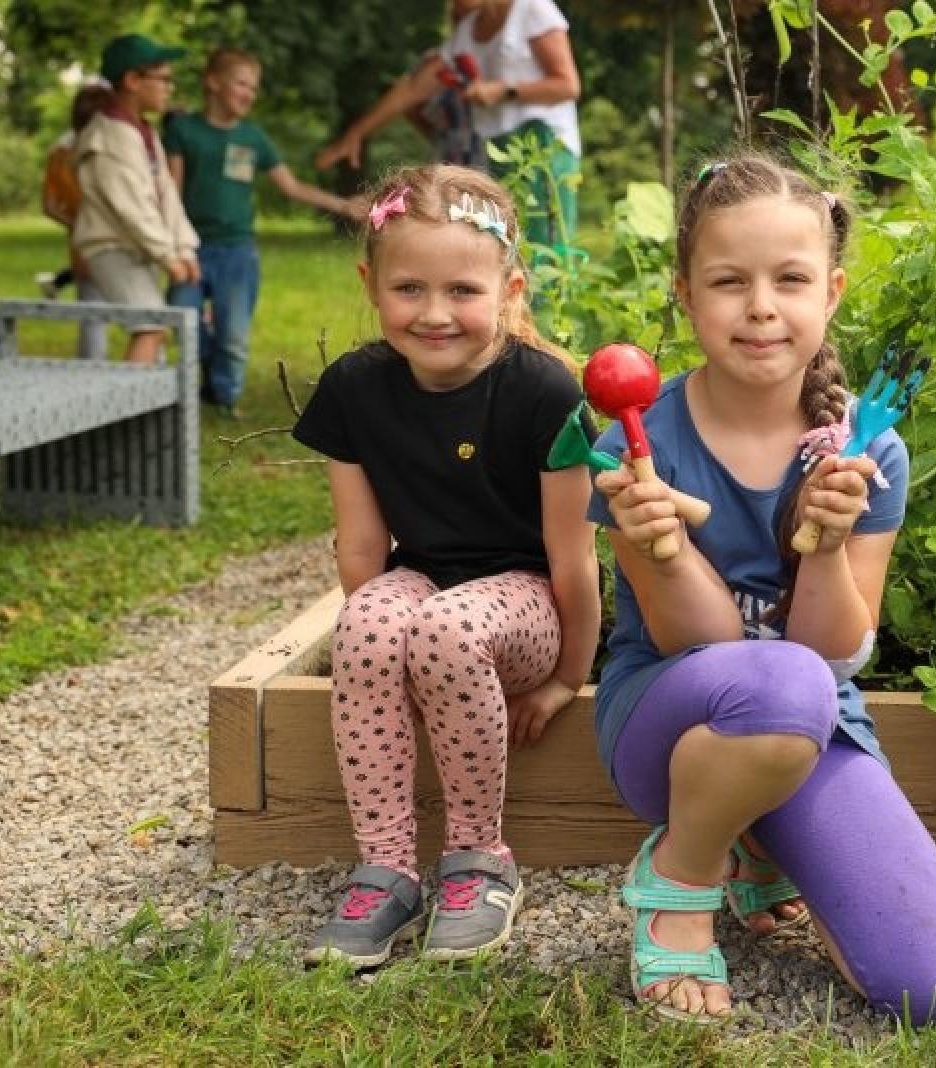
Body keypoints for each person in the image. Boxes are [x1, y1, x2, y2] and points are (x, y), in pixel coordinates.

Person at [587, 154, 936, 1024]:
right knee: (782, 682)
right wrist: (661, 550)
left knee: (931, 987)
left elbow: (838, 654)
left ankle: (758, 826)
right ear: (686, 295)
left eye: (790, 279)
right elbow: (693, 639)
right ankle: (683, 873)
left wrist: (831, 544)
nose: (762, 306)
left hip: (813, 713)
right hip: (670, 719)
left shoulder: (865, 452)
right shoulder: (634, 447)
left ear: (831, 292)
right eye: (729, 281)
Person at [292, 164, 600, 969]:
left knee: (445, 626)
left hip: (524, 604)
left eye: (463, 290)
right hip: (425, 585)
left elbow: (572, 558)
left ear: (510, 287)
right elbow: (361, 554)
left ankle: (479, 859)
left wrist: (568, 677)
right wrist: (387, 660)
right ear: (371, 284)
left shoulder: (542, 391)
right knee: (369, 618)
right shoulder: (355, 389)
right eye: (409, 289)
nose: (434, 314)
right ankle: (388, 870)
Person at [164, 47, 367, 417]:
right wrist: (173, 245)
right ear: (213, 82)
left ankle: (222, 398)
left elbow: (292, 187)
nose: (249, 94)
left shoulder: (253, 138)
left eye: (253, 88)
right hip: (189, 247)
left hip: (237, 251)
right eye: (241, 84)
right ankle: (210, 370)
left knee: (234, 337)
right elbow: (171, 195)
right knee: (183, 320)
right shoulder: (182, 131)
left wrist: (344, 206)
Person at [316, 0, 581, 251]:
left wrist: (504, 91)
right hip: (497, 148)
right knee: (504, 243)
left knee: (545, 247)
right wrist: (357, 134)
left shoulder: (532, 8)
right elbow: (413, 87)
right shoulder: (467, 30)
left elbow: (567, 84)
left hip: (542, 143)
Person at [72, 33, 200, 366]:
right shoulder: (109, 135)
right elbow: (131, 206)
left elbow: (167, 195)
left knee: (154, 330)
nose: (170, 87)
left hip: (136, 246)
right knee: (150, 327)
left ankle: (146, 416)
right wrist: (166, 254)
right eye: (164, 79)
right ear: (132, 80)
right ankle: (123, 417)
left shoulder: (142, 131)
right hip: (110, 247)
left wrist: (183, 247)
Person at [37, 81, 111, 360]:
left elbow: (49, 206)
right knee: (143, 323)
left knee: (92, 324)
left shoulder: (60, 152)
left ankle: (89, 385)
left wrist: (77, 225)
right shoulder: (112, 147)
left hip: (84, 246)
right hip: (121, 248)